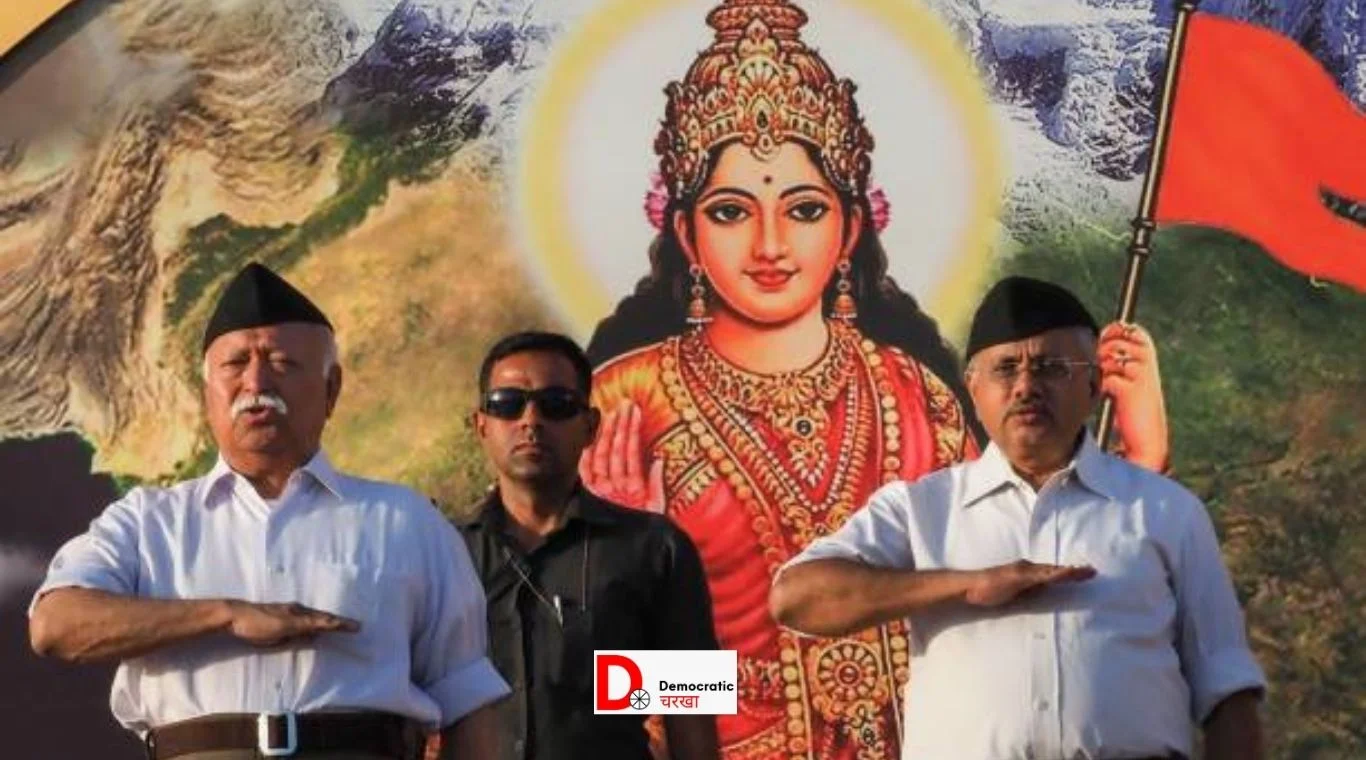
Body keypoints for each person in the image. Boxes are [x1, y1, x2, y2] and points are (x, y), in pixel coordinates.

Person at [578, 1, 1172, 757]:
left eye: (804, 209)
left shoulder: (915, 398)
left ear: (850, 226)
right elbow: (582, 681)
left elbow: (1027, 592)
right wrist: (625, 577)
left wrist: (1141, 459)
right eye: (731, 211)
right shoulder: (621, 408)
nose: (770, 245)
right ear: (687, 233)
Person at [769, 276, 1266, 760]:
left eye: (1051, 368)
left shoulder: (1165, 511)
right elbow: (797, 597)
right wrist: (969, 585)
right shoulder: (921, 509)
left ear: (1093, 385)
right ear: (973, 388)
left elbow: (1228, 689)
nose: (1026, 386)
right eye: (1006, 369)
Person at [28, 262, 507, 760]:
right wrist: (224, 615)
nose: (256, 382)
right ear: (207, 393)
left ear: (331, 389)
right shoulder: (148, 522)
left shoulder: (405, 522)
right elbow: (56, 624)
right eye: (235, 364)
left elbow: (466, 698)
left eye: (282, 362)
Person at [456, 331, 721, 760]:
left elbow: (692, 708)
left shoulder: (653, 548)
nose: (531, 421)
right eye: (508, 404)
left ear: (590, 426)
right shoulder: (443, 552)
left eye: (556, 404)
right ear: (481, 425)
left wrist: (608, 681)